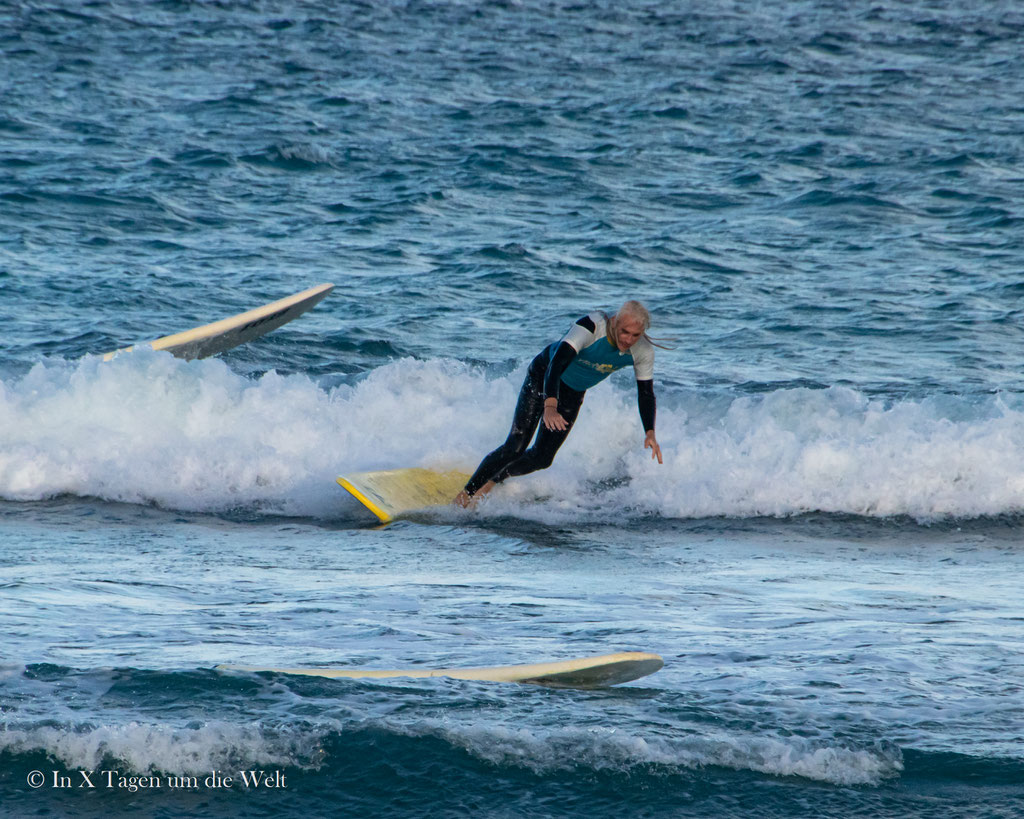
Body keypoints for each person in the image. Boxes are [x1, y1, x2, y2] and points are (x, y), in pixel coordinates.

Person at [454, 300, 663, 507]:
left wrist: (650, 431)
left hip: (573, 391)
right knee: (516, 445)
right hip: (544, 375)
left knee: (542, 458)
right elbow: (557, 364)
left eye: (635, 335)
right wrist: (550, 406)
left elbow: (645, 393)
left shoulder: (642, 351)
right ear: (615, 322)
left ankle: (491, 481)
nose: (628, 340)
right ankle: (465, 495)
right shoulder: (590, 327)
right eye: (625, 332)